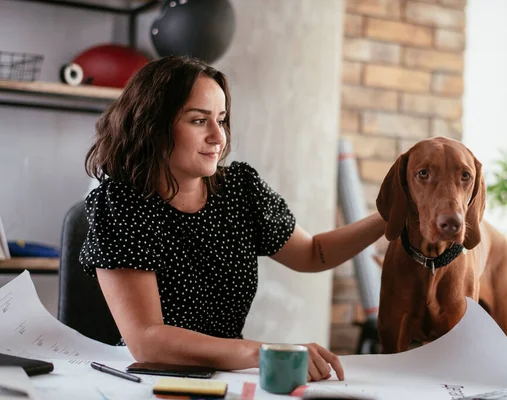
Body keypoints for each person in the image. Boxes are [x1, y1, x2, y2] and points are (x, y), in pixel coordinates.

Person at [80, 55, 386, 382]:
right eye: (199, 121)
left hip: (227, 378)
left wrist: (388, 216)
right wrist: (264, 352)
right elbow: (147, 340)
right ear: (153, 126)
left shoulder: (239, 187)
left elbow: (312, 253)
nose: (218, 136)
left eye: (221, 119)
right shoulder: (121, 203)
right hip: (149, 381)